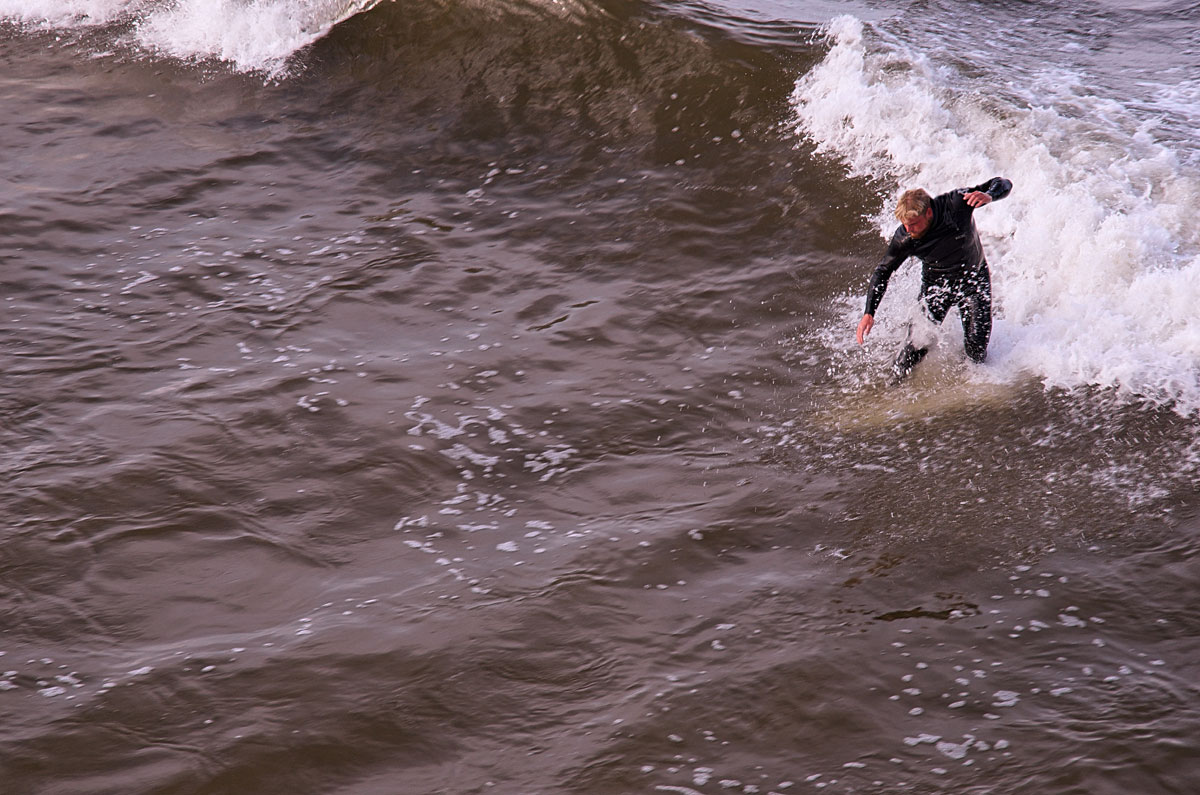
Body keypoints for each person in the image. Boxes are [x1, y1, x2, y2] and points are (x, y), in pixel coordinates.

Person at [855, 177, 1012, 381]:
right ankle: (893, 390)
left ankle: (973, 394)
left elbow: (1003, 183)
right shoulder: (905, 238)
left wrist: (989, 195)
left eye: (913, 224)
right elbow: (882, 271)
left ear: (928, 212)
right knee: (911, 354)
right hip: (937, 289)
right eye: (905, 225)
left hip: (973, 283)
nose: (909, 230)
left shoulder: (956, 204)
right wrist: (869, 313)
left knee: (976, 351)